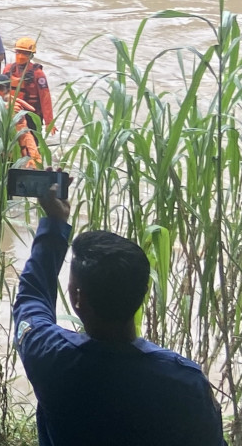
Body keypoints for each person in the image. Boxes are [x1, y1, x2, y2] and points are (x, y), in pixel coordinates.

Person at [13, 173, 225, 445]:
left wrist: (55, 224)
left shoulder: (51, 358)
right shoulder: (184, 381)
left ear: (78, 299)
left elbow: (30, 300)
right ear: (142, 292)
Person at [0, 74, 42, 169]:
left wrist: (35, 160)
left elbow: (25, 136)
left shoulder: (14, 109)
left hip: (10, 157)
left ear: (8, 90)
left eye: (0, 88)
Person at [3, 37, 54, 134]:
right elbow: (0, 91)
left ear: (31, 55)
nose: (21, 56)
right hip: (11, 113)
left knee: (32, 144)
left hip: (31, 115)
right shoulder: (8, 69)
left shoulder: (38, 74)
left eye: (25, 53)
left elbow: (45, 98)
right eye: (18, 52)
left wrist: (49, 122)